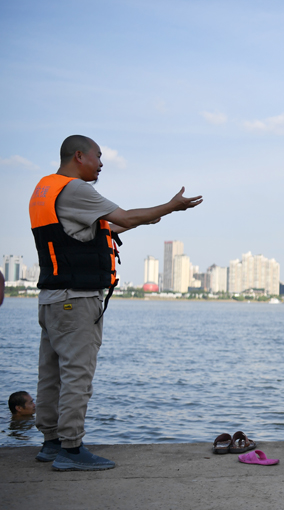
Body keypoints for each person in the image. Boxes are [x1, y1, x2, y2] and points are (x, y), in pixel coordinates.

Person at [30, 135, 202, 471]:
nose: (102, 163)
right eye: (98, 156)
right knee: (77, 374)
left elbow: (120, 222)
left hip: (51, 298)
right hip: (76, 301)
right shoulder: (76, 189)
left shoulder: (44, 190)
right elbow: (125, 218)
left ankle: (51, 443)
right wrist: (171, 206)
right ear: (79, 156)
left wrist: (156, 214)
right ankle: (72, 448)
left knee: (50, 374)